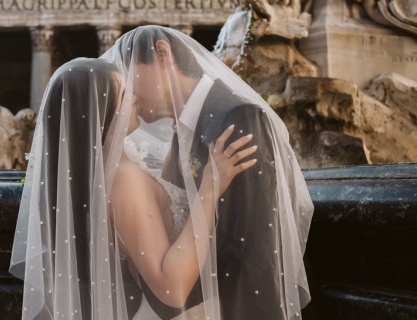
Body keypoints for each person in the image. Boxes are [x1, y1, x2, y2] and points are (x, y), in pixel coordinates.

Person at [10, 57, 257, 320]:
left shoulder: (114, 168)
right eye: (124, 93)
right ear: (101, 110)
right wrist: (210, 188)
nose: (135, 97)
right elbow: (171, 288)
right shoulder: (124, 179)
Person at [110, 25, 314, 319]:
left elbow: (257, 247)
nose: (128, 89)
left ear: (162, 53)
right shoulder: (184, 130)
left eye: (130, 73)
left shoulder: (237, 117)